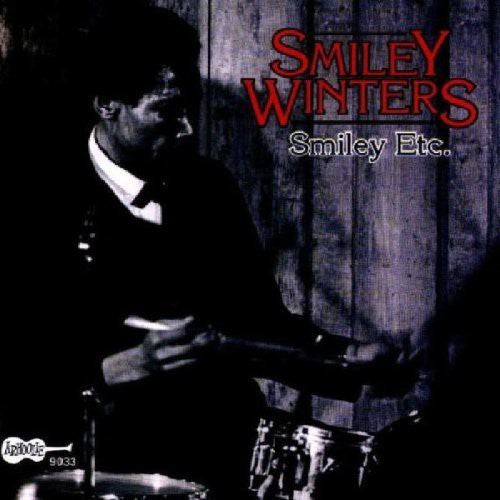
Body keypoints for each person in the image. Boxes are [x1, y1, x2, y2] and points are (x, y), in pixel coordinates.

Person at [1, 4, 407, 499]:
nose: (187, 128)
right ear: (107, 104)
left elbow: (258, 324)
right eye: (167, 111)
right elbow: (19, 363)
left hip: (219, 457)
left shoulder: (209, 188)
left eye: (189, 106)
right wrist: (117, 369)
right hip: (97, 464)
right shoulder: (33, 203)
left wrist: (345, 357)